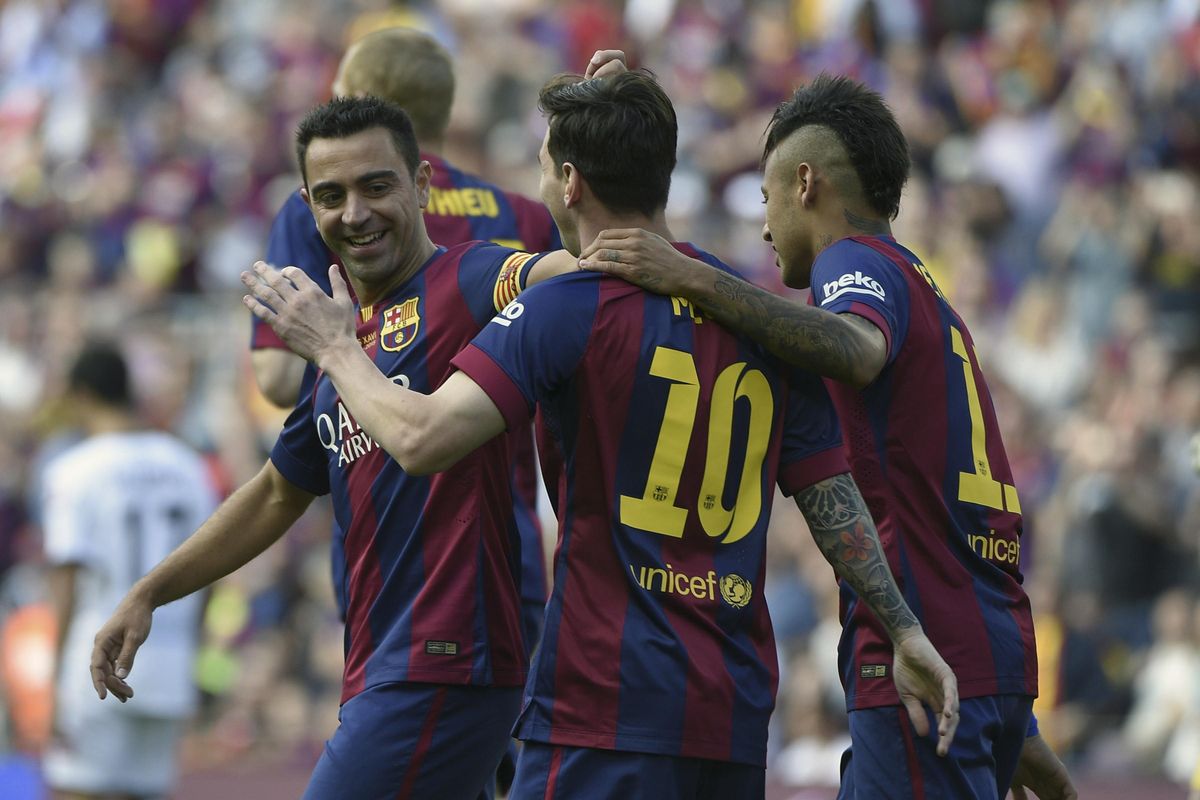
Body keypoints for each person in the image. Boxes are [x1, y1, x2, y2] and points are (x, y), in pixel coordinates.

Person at [243, 70, 959, 799]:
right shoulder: (761, 321)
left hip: (602, 703)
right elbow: (833, 503)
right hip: (732, 710)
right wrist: (902, 628)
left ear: (571, 182)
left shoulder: (566, 308)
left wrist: (335, 348)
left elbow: (423, 439)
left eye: (547, 166)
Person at [577, 73, 1077, 799]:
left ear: (805, 183)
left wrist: (695, 279)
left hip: (919, 657)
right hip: (987, 648)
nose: (763, 225)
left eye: (764, 197)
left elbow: (855, 349)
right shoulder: (929, 295)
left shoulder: (857, 262)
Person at [90, 97, 581, 799]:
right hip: (385, 666)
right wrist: (149, 593)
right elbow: (276, 490)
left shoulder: (471, 281)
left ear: (422, 184)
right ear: (307, 207)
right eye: (331, 196)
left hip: (444, 662)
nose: (354, 213)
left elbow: (568, 275)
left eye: (376, 186)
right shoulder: (348, 341)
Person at [249, 27, 571, 679]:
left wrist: (338, 345)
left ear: (369, 107)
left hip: (390, 532)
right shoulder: (518, 214)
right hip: (506, 529)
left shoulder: (321, 206)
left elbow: (280, 379)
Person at [42, 343, 218, 800]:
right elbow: (213, 570)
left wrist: (54, 683)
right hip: (170, 665)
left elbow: (67, 587)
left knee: (74, 790)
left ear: (81, 395)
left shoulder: (74, 470)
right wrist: (191, 658)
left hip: (95, 663)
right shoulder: (189, 466)